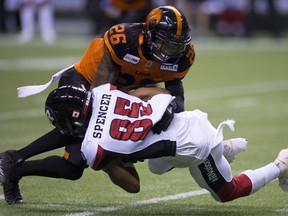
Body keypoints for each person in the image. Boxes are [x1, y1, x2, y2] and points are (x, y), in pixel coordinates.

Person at [0, 5, 196, 204]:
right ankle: (11, 158)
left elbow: (175, 97)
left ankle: (14, 172)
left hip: (121, 92)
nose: (171, 51)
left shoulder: (182, 58)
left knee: (72, 168)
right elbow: (98, 95)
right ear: (149, 35)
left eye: (176, 45)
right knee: (85, 120)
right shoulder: (124, 40)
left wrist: (169, 112)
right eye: (165, 43)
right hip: (86, 81)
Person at [45, 84, 287, 203]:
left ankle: (281, 163)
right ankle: (220, 148)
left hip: (193, 145)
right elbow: (156, 94)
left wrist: (110, 163)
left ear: (72, 116)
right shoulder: (102, 91)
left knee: (227, 192)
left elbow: (132, 186)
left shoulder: (92, 147)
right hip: (188, 119)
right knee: (156, 165)